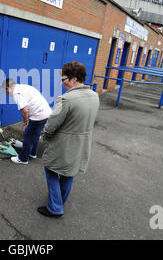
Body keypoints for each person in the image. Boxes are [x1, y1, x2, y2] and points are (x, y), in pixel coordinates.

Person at [37, 62, 99, 218]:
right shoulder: (94, 96)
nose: (62, 82)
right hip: (82, 144)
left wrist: (45, 136)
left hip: (63, 145)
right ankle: (59, 201)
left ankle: (55, 207)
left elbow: (51, 125)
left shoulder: (66, 99)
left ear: (74, 79)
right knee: (68, 173)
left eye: (64, 79)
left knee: (50, 169)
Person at [2, 78, 52, 165]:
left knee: (28, 135)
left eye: (5, 91)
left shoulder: (16, 93)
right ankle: (33, 153)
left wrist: (25, 123)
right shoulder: (24, 87)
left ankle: (23, 158)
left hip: (38, 115)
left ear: (7, 88)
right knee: (36, 133)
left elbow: (24, 110)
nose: (6, 93)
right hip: (46, 113)